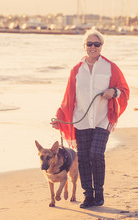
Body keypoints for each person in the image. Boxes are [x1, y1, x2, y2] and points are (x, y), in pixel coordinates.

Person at [51, 29, 129, 208]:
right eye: (89, 44)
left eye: (97, 44)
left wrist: (113, 92)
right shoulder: (76, 70)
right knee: (84, 157)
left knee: (96, 154)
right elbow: (68, 98)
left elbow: (124, 89)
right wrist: (59, 118)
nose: (93, 47)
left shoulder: (111, 67)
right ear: (84, 46)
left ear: (101, 47)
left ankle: (99, 193)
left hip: (103, 118)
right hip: (81, 120)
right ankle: (88, 195)